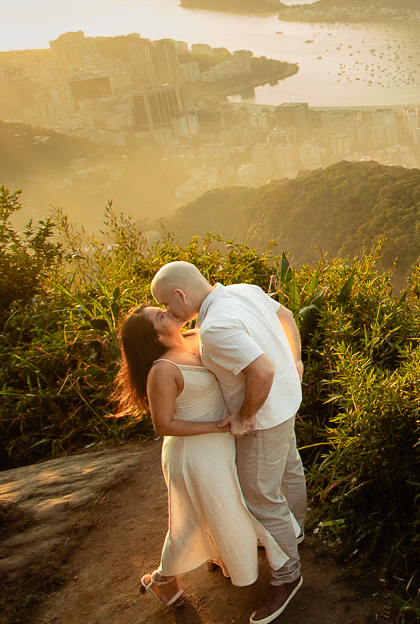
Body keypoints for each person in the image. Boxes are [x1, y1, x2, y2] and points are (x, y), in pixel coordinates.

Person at [151, 261, 307, 624]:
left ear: (181, 294)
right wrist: (295, 360)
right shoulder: (244, 290)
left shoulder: (215, 327)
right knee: (290, 472)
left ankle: (288, 575)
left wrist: (246, 416)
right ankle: (294, 535)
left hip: (265, 419)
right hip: (287, 401)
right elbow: (287, 316)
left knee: (259, 498)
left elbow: (262, 369)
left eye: (168, 305)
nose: (169, 313)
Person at [115, 304, 295, 609]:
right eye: (160, 316)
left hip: (223, 443)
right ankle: (163, 578)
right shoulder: (163, 369)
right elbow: (163, 424)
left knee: (223, 507)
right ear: (156, 336)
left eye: (162, 307)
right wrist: (218, 425)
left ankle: (192, 568)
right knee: (199, 518)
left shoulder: (199, 336)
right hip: (194, 454)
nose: (168, 311)